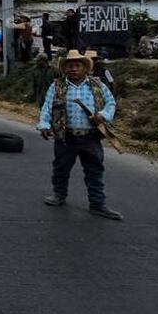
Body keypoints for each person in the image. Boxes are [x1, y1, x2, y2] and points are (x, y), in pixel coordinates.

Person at [36, 49, 122, 220]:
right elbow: (47, 107)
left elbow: (111, 103)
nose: (73, 69)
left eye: (77, 66)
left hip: (90, 136)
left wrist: (103, 115)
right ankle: (59, 195)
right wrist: (44, 125)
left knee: (94, 171)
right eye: (70, 66)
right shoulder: (57, 86)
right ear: (64, 69)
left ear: (85, 68)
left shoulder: (97, 85)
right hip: (66, 136)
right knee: (61, 168)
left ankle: (97, 204)